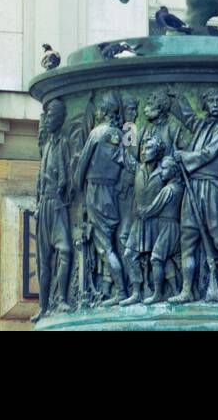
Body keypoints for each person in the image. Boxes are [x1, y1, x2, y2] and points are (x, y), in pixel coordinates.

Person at [171, 88, 218, 303]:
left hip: (213, 189)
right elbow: (189, 118)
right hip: (194, 187)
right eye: (211, 100)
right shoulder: (203, 125)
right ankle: (186, 290)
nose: (215, 103)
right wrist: (177, 97)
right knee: (188, 239)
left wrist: (184, 156)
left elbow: (207, 153)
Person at [72, 92, 131, 304]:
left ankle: (121, 292)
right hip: (112, 195)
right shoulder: (121, 135)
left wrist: (77, 185)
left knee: (104, 246)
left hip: (96, 192)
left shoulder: (97, 133)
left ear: (104, 111)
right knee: (113, 242)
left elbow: (82, 165)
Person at [120, 134, 182, 305]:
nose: (143, 152)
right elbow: (125, 152)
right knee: (129, 254)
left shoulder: (163, 173)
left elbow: (175, 180)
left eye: (148, 149)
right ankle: (136, 292)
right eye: (142, 148)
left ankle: (164, 291)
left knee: (160, 258)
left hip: (157, 221)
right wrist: (127, 127)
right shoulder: (137, 167)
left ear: (158, 152)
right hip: (139, 221)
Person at [34, 98, 73, 318]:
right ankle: (43, 307)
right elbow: (40, 178)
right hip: (45, 205)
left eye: (51, 116)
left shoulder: (63, 142)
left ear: (59, 118)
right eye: (46, 115)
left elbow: (67, 172)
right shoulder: (47, 144)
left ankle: (62, 300)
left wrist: (62, 186)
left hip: (58, 204)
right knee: (44, 259)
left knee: (65, 250)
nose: (47, 119)